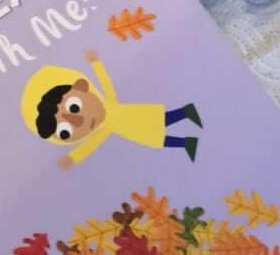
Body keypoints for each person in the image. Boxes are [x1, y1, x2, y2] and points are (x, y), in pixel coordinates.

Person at [21, 50, 202, 169]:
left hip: (132, 116)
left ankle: (185, 114)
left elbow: (106, 84)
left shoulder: (108, 105)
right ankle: (186, 141)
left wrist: (96, 63)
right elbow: (92, 144)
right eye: (65, 131)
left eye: (74, 107)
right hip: (130, 131)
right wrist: (74, 157)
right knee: (154, 138)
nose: (79, 120)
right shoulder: (103, 128)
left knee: (159, 121)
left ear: (81, 86)